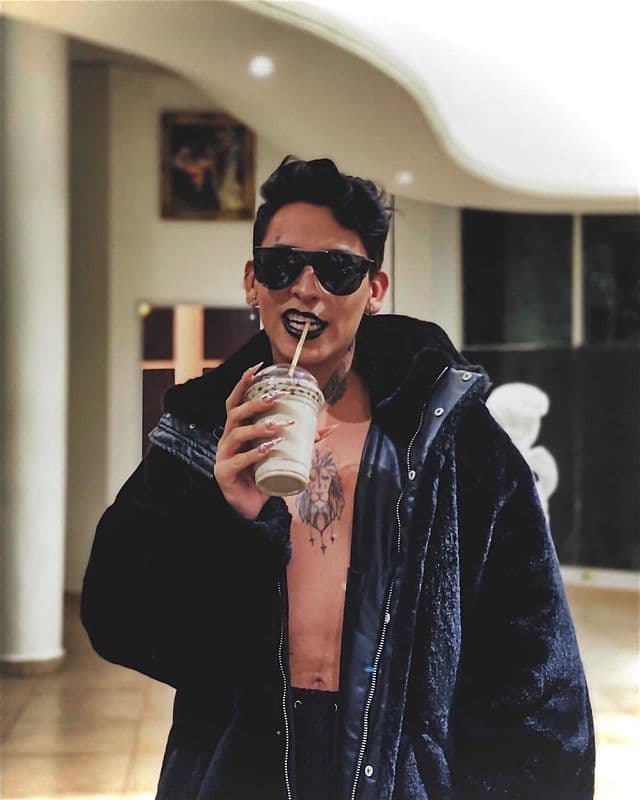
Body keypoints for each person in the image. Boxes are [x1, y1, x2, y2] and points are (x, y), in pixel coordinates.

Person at [81, 156, 595, 800]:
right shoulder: (200, 431)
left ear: (374, 289)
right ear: (252, 282)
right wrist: (230, 521)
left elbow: (534, 669)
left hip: (397, 773)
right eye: (281, 265)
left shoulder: (451, 439)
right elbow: (118, 618)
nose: (306, 287)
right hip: (241, 769)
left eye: (337, 269)